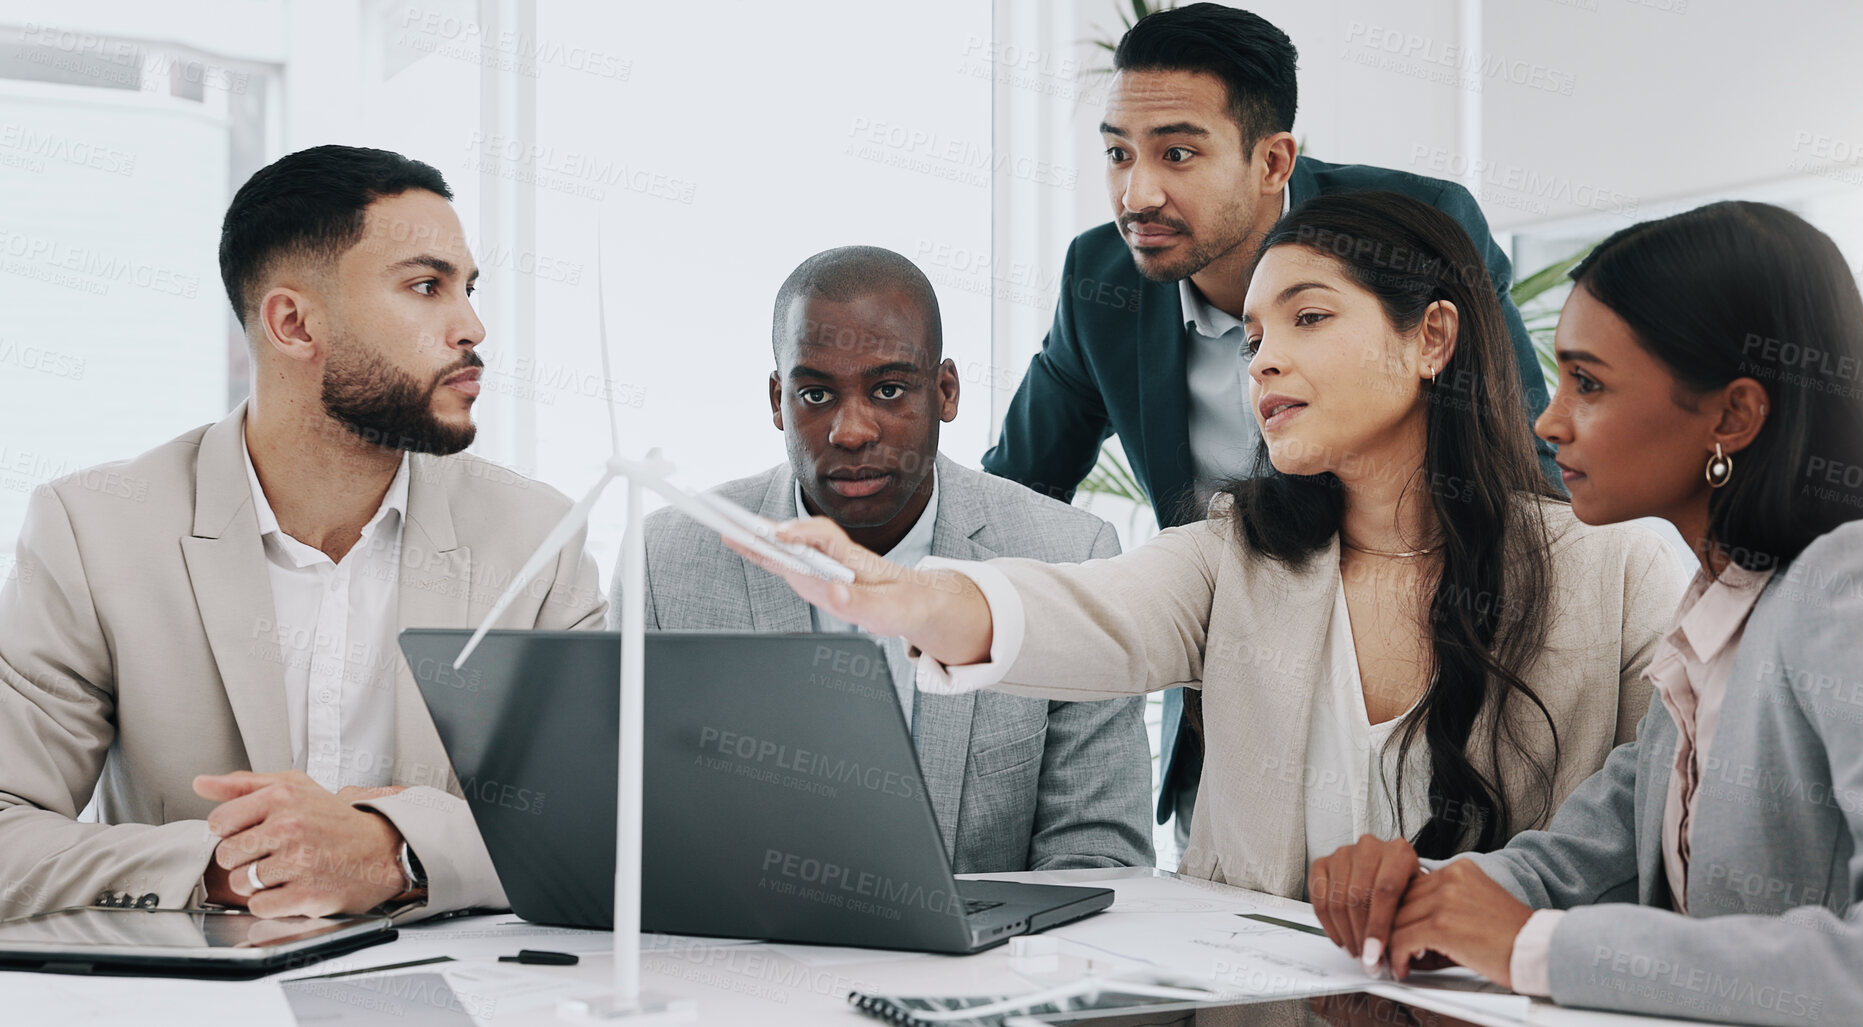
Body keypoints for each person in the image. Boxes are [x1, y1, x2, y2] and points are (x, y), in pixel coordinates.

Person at [726, 193, 1684, 901]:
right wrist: (907, 597)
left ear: (1431, 337)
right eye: (1253, 333)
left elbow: (1667, 849)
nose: (1261, 356)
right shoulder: (1236, 555)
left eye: (1308, 318)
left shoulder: (1619, 571)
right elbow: (1083, 609)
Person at [1309, 201, 1863, 1025]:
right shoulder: (1717, 620)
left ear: (1733, 416)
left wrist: (1533, 948)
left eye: (1589, 383)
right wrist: (1417, 894)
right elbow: (1570, 866)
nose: (1549, 420)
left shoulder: (1862, 581)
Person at [982, 3, 1559, 850]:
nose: (1135, 193)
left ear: (1271, 159)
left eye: (1177, 152)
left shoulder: (1414, 228)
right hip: (1232, 711)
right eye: (1117, 153)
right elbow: (1014, 496)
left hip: (1440, 690)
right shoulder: (1100, 279)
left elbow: (1520, 463)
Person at [0, 145, 604, 922]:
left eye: (468, 287)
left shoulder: (537, 539)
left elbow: (599, 826)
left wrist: (394, 851)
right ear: (292, 322)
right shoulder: (94, 528)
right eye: (427, 286)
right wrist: (236, 866)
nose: (472, 327)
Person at [622, 246, 1152, 872]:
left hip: (988, 967)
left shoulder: (1069, 557)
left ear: (945, 391)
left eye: (889, 389)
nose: (851, 430)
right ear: (776, 402)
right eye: (816, 395)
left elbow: (1099, 854)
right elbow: (632, 827)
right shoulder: (669, 559)